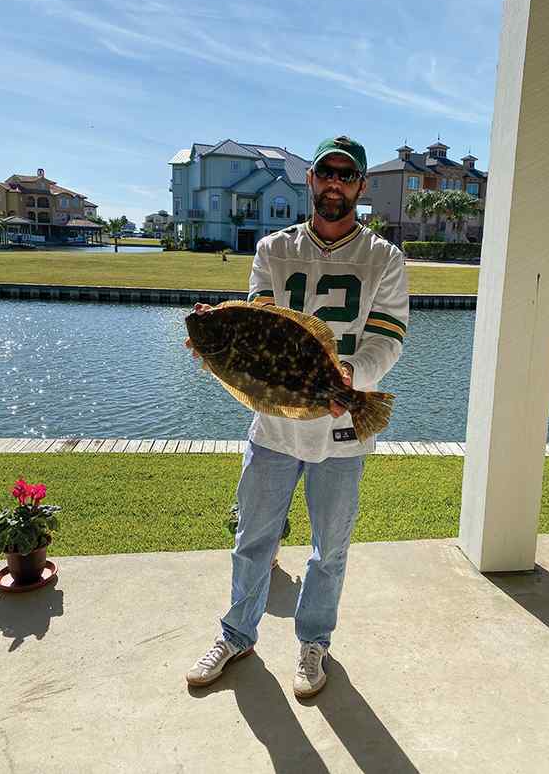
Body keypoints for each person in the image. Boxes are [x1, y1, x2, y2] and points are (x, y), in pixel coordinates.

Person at [185, 135, 409, 699]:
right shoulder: (273, 249)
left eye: (346, 175)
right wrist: (220, 336)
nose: (334, 183)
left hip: (341, 426)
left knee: (329, 550)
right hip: (275, 427)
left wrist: (351, 379)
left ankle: (314, 642)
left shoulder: (385, 257)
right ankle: (237, 633)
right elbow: (261, 325)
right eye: (325, 173)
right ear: (310, 179)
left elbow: (389, 335)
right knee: (252, 538)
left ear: (359, 187)